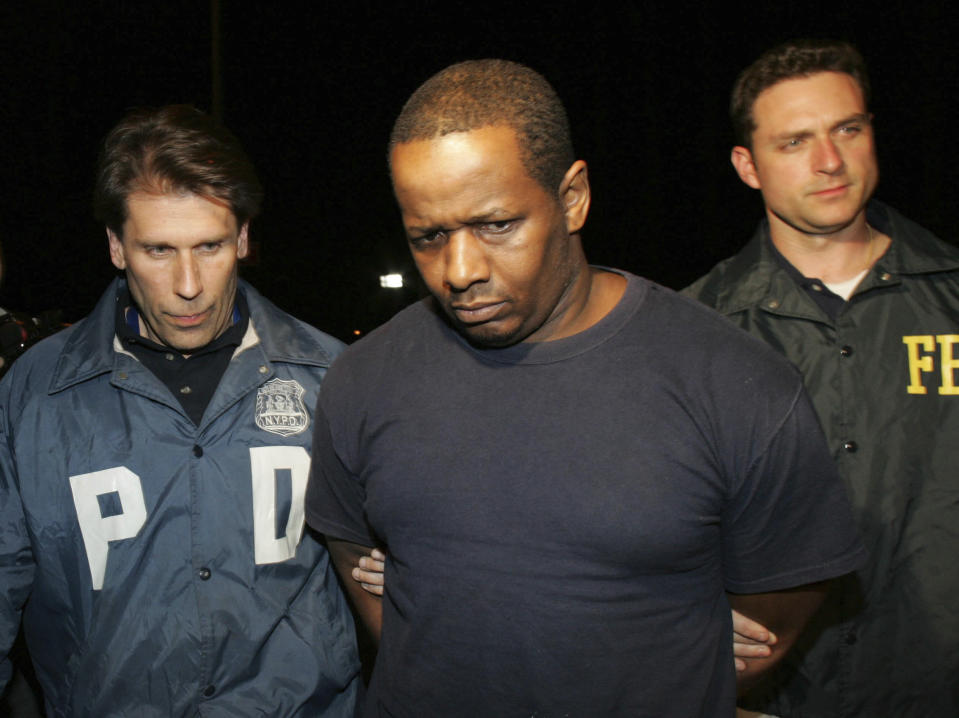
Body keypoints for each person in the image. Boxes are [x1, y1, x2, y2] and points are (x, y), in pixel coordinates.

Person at [306, 59, 867, 717]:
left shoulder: (733, 382)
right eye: (428, 237)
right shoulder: (363, 376)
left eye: (495, 225)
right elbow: (355, 557)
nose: (458, 271)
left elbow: (777, 610)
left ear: (572, 198)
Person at [0, 105, 361, 716]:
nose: (189, 283)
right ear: (116, 247)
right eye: (159, 250)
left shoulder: (334, 376)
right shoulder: (34, 392)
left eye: (211, 246)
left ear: (244, 238)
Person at [685, 39, 959, 717]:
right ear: (746, 166)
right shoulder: (696, 331)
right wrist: (678, 618)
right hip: (767, 700)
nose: (828, 161)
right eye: (794, 142)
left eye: (847, 129)